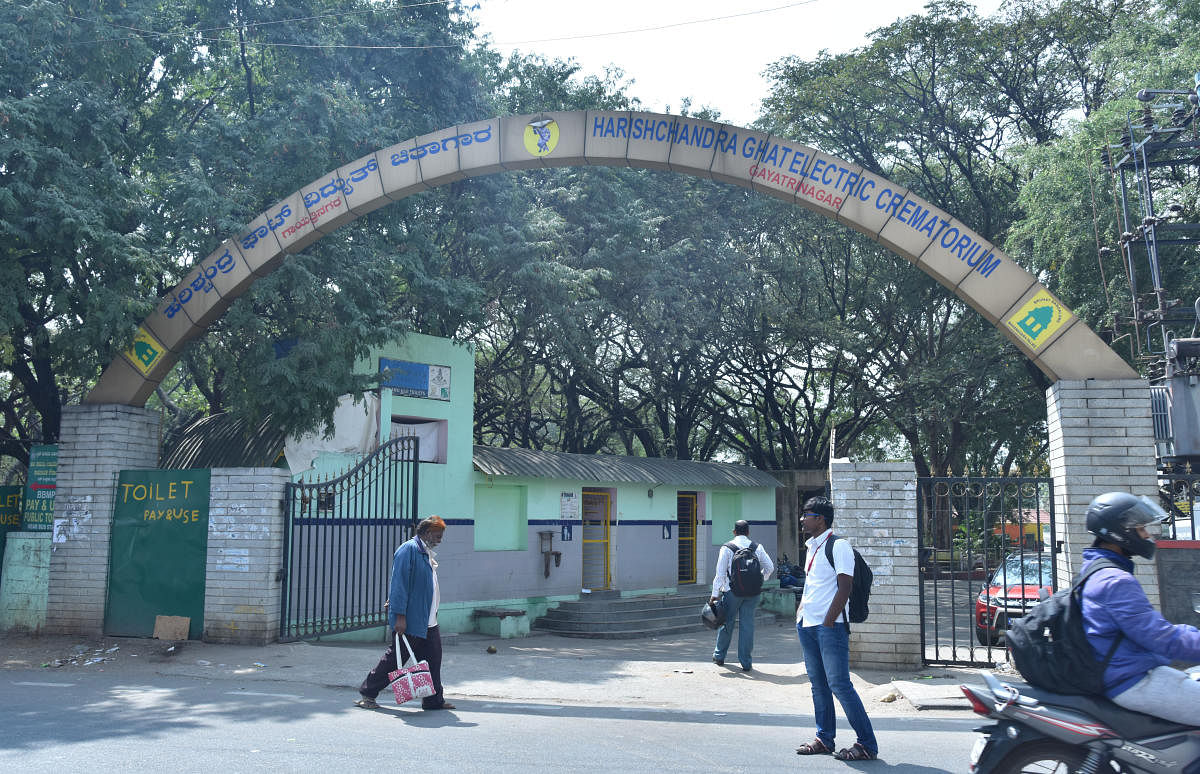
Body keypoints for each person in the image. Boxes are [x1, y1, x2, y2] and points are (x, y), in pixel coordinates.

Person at [1079, 491, 1200, 725]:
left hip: (1125, 668)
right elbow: (1161, 638)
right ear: (1120, 531)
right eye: (1141, 528)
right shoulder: (1115, 581)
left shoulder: (1095, 570)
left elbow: (1149, 628)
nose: (1146, 535)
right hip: (1130, 678)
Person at [794, 496, 878, 761]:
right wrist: (800, 614)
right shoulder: (811, 547)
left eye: (806, 514)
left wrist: (829, 621)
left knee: (839, 685)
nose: (802, 519)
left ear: (820, 518)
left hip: (829, 627)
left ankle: (866, 744)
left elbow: (845, 586)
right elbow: (814, 584)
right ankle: (824, 738)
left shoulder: (838, 545)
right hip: (808, 624)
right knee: (818, 685)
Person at [355, 515, 456, 711]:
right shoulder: (408, 550)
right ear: (426, 533)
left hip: (428, 620)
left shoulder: (424, 551)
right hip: (411, 620)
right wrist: (399, 615)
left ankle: (433, 701)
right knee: (394, 659)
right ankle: (368, 693)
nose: (440, 540)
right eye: (437, 535)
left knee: (433, 660)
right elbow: (398, 584)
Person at [709, 519, 774, 671]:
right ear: (748, 532)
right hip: (753, 593)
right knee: (747, 625)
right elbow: (769, 567)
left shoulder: (727, 547)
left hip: (732, 592)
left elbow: (719, 574)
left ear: (734, 532)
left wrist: (715, 594)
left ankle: (719, 656)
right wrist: (759, 579)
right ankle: (746, 662)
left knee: (727, 623)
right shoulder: (757, 547)